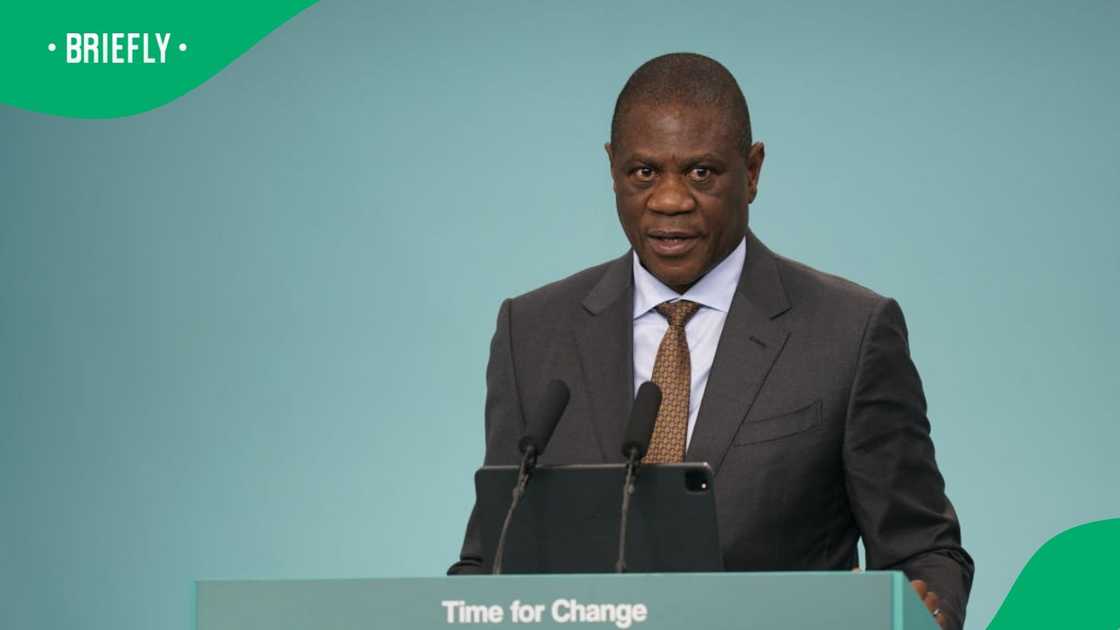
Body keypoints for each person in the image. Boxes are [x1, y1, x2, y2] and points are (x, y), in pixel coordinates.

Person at [449, 52, 973, 630]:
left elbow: (923, 550)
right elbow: (490, 560)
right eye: (643, 172)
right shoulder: (531, 331)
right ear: (612, 168)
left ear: (752, 171)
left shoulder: (850, 333)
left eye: (701, 172)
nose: (669, 199)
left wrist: (928, 614)